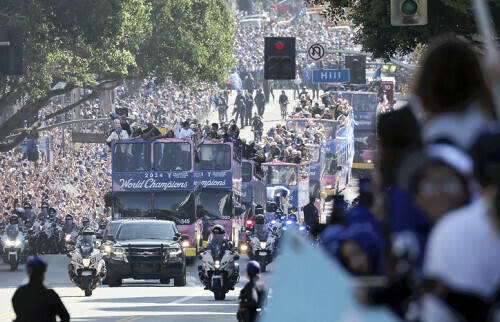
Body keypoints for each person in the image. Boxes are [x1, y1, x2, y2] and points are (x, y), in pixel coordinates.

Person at [12, 257, 70, 322]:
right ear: (42, 274)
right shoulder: (50, 295)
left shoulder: (19, 293)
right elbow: (65, 317)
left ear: (28, 272)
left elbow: (18, 313)